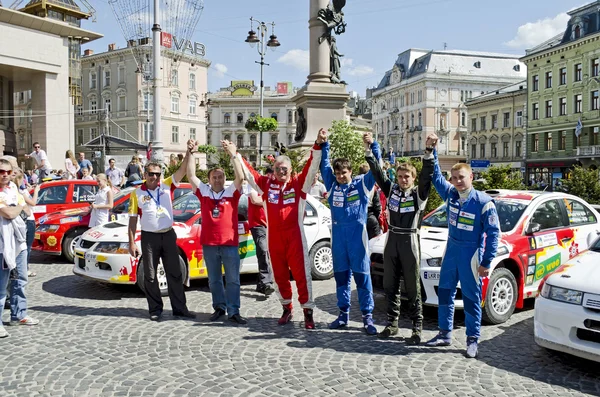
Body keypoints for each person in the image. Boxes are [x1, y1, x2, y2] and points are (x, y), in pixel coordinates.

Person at [424, 133, 500, 358]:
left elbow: (493, 234)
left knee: (471, 297)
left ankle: (472, 339)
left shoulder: (484, 202)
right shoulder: (451, 195)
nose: (457, 181)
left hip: (471, 254)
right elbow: (437, 176)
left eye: (461, 177)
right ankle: (444, 334)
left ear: (471, 177)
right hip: (451, 250)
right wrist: (432, 151)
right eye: (454, 177)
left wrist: (486, 262)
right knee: (445, 293)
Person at [240, 130, 324, 329]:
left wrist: (318, 146)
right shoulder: (267, 185)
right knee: (279, 275)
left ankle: (307, 312)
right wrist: (236, 155)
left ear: (291, 169)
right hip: (274, 238)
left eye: (284, 168)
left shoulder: (298, 184)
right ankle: (287, 308)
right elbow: (250, 174)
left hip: (295, 237)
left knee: (302, 275)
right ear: (274, 170)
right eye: (278, 168)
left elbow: (311, 168)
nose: (281, 172)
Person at [364, 132, 434, 345]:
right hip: (392, 239)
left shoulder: (418, 195)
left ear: (412, 179)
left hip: (410, 242)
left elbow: (426, 177)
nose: (403, 180)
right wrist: (369, 149)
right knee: (390, 284)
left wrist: (429, 152)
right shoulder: (392, 189)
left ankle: (416, 327)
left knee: (412, 287)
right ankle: (392, 324)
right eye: (400, 176)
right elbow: (377, 173)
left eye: (407, 177)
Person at [318, 130, 377, 334]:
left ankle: (367, 318)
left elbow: (376, 169)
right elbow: (324, 166)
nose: (341, 176)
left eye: (344, 172)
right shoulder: (332, 185)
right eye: (338, 173)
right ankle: (343, 315)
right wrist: (325, 145)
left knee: (362, 278)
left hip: (357, 241)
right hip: (339, 241)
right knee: (342, 279)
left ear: (351, 172)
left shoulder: (362, 184)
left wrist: (372, 146)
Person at [128, 145, 193, 322]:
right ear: (145, 175)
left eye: (157, 174)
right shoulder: (136, 194)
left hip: (168, 234)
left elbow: (182, 170)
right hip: (149, 238)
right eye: (151, 174)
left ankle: (180, 309)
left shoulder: (167, 186)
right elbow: (133, 220)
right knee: (149, 275)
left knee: (175, 274)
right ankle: (155, 309)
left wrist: (188, 153)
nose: (155, 177)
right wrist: (131, 242)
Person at [187, 140, 247, 325]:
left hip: (229, 243)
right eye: (214, 177)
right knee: (213, 280)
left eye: (221, 177)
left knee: (233, 280)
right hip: (209, 244)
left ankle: (234, 310)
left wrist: (233, 154)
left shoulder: (231, 192)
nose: (218, 180)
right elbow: (190, 175)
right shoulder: (204, 192)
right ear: (209, 179)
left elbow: (241, 176)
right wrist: (190, 152)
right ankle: (219, 307)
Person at [0, 158, 39, 338]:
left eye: (8, 172)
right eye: (1, 171)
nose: (5, 175)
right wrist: (17, 207)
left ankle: (19, 314)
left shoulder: (13, 188)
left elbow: (25, 208)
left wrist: (16, 207)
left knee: (20, 279)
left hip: (18, 241)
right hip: (2, 244)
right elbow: (10, 213)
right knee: (1, 286)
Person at [248, 167, 275, 296]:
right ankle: (266, 283)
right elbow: (255, 199)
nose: (270, 179)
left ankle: (261, 284)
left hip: (270, 225)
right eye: (268, 176)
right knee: (263, 251)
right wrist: (271, 199)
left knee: (267, 253)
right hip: (257, 225)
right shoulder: (254, 185)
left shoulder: (272, 187)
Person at [15, 168, 40, 277]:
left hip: (27, 219)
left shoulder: (20, 190)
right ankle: (25, 269)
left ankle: (22, 268)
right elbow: (33, 203)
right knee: (27, 246)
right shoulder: (20, 191)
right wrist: (36, 191)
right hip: (28, 220)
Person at [358, 163, 382, 240]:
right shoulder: (373, 187)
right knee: (374, 244)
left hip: (358, 218)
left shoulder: (354, 184)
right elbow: (377, 206)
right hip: (370, 216)